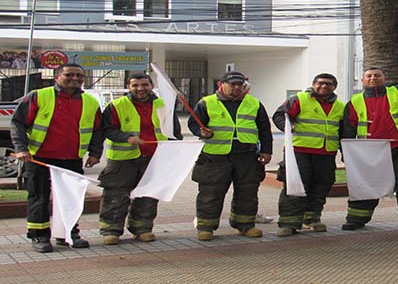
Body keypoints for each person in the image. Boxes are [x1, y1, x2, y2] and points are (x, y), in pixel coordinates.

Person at [10, 63, 103, 253]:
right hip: (39, 159)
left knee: (71, 199)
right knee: (39, 198)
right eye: (69, 75)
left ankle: (69, 233)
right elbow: (18, 123)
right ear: (56, 77)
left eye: (79, 76)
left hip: (71, 159)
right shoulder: (38, 96)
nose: (75, 79)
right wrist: (21, 148)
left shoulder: (91, 102)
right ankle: (39, 236)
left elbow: (97, 130)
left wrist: (95, 153)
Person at [341, 42, 398, 231]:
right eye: (369, 76)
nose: (373, 78)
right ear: (363, 80)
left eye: (377, 75)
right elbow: (347, 131)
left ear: (385, 78)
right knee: (365, 185)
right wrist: (347, 154)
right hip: (368, 153)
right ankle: (356, 219)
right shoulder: (354, 102)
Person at [99, 73, 183, 245]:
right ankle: (111, 230)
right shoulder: (116, 105)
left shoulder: (164, 105)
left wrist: (174, 153)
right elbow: (107, 129)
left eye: (144, 85)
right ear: (128, 87)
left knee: (148, 195)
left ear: (151, 86)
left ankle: (142, 228)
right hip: (122, 160)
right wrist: (126, 138)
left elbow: (174, 131)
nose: (140, 89)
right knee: (116, 195)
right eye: (135, 85)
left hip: (153, 157)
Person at [188, 71, 273, 241]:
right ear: (221, 84)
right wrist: (201, 132)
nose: (236, 88)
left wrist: (266, 150)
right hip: (215, 156)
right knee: (210, 193)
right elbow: (193, 123)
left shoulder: (254, 103)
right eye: (232, 84)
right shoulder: (207, 102)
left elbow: (264, 129)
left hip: (247, 155)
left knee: (247, 192)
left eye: (239, 85)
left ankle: (245, 225)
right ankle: (206, 227)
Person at [272, 73, 344, 236]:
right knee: (295, 186)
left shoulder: (340, 106)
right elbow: (279, 116)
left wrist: (344, 151)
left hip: (326, 152)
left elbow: (342, 130)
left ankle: (311, 219)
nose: (324, 86)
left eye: (328, 84)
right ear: (313, 84)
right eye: (320, 83)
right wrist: (287, 126)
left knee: (321, 186)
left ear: (334, 87)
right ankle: (288, 223)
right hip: (299, 151)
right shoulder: (299, 99)